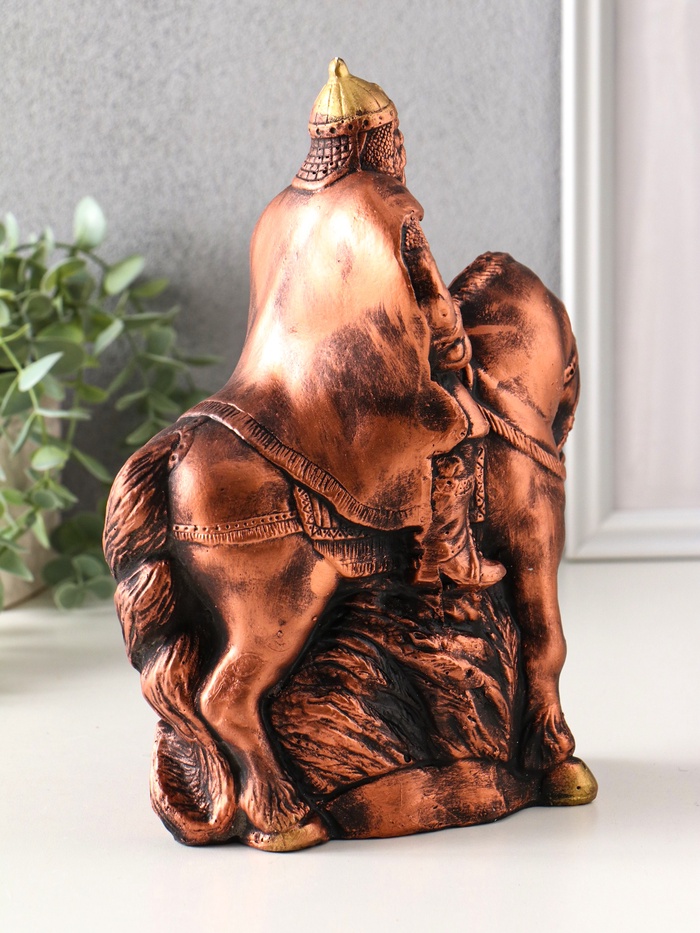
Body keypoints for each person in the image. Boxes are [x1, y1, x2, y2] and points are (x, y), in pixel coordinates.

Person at [188, 58, 504, 588]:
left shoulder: (276, 211)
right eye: (393, 136)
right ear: (370, 143)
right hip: (350, 397)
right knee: (466, 426)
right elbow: (436, 310)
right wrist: (455, 350)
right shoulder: (386, 208)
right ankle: (444, 552)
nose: (400, 149)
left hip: (260, 390)